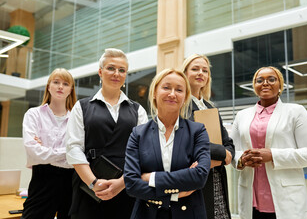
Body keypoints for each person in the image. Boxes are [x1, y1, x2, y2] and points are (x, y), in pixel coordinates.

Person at [230, 66, 307, 219]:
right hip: (251, 200)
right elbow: (232, 151)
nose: (265, 83)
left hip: (286, 201)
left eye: (271, 79)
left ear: (280, 85)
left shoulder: (296, 112)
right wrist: (241, 159)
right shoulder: (242, 116)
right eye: (260, 80)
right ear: (255, 86)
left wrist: (273, 155)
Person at [66, 48, 148, 219]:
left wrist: (121, 184)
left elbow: (144, 152)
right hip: (88, 188)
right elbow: (74, 148)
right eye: (111, 68)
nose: (116, 73)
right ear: (100, 72)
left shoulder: (138, 110)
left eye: (122, 70)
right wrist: (93, 183)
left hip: (127, 186)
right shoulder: (81, 106)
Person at [124, 68, 211, 219]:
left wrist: (152, 178)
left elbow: (200, 176)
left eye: (179, 90)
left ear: (185, 97)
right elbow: (131, 184)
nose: (172, 94)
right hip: (147, 214)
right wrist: (174, 195)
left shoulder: (198, 131)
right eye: (166, 87)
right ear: (154, 93)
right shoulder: (137, 134)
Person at [181, 54, 235, 219]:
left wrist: (229, 153)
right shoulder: (180, 105)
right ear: (184, 73)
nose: (201, 73)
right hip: (194, 177)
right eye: (195, 69)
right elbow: (190, 141)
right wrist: (223, 153)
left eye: (205, 70)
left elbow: (227, 141)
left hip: (216, 175)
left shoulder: (210, 106)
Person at [22, 68, 77, 219]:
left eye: (65, 84)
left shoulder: (78, 120)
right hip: (42, 179)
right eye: (56, 82)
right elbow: (34, 152)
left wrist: (45, 151)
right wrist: (69, 152)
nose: (60, 86)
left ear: (71, 89)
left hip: (70, 179)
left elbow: (80, 152)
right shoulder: (33, 114)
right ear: (48, 86)